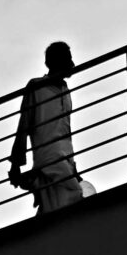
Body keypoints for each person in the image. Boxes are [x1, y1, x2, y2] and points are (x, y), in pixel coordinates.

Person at [8, 41, 94, 214]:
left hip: (64, 159)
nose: (72, 63)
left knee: (54, 205)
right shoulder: (36, 86)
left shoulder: (65, 90)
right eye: (68, 58)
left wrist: (73, 167)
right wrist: (16, 164)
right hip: (49, 157)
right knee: (73, 197)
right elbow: (24, 124)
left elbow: (65, 130)